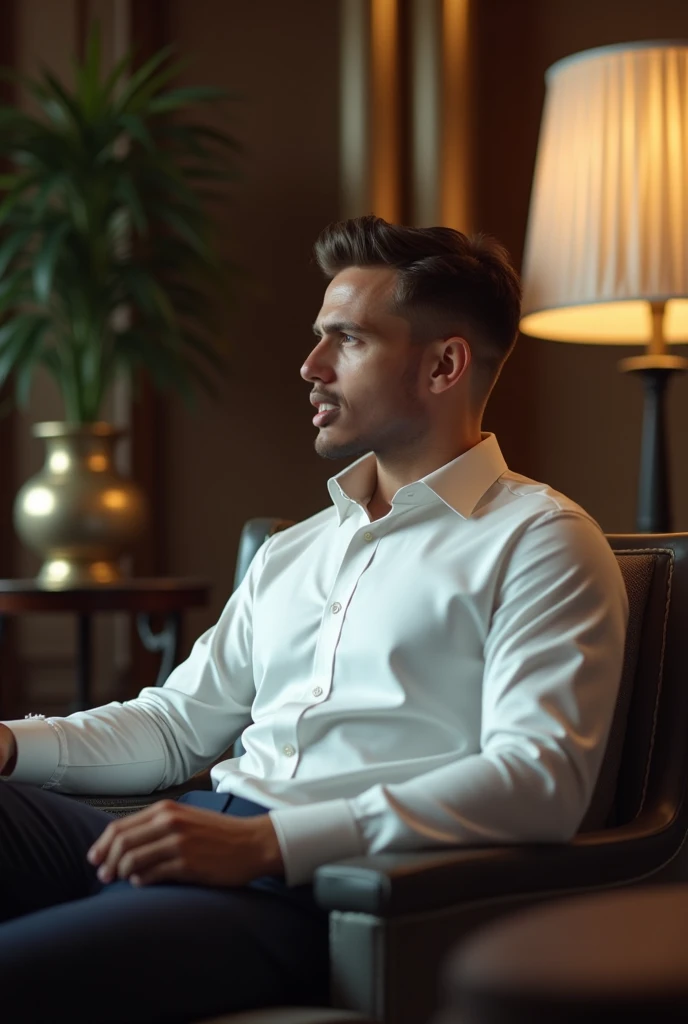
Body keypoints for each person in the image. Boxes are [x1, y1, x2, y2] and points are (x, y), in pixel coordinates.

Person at [0, 216, 628, 1023]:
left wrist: (269, 844)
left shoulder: (541, 541)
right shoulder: (295, 548)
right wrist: (14, 741)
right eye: (317, 338)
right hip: (187, 836)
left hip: (311, 890)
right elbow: (172, 728)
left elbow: (539, 779)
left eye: (348, 340)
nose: (310, 366)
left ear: (444, 364)